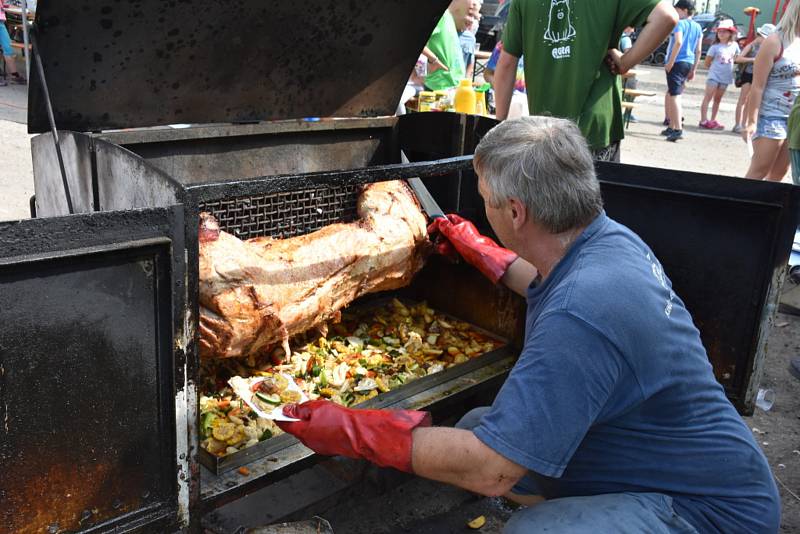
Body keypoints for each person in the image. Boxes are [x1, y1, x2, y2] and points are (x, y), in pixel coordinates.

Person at [276, 116, 780, 533]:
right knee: (477, 426)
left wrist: (353, 430)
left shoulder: (582, 314)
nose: (484, 207)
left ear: (516, 210)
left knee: (525, 527)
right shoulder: (607, 241)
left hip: (711, 514)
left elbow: (491, 470)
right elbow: (554, 285)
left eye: (485, 199)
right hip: (668, 457)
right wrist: (485, 253)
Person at [490, 0, 677, 161]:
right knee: (596, 201)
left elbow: (506, 64)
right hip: (595, 130)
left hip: (545, 131)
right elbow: (666, 17)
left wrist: (499, 126)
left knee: (550, 202)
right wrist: (625, 63)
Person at [743, 0, 800, 181]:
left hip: (794, 117)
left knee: (779, 173)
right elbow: (757, 86)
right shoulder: (775, 41)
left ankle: (767, 210)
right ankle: (739, 207)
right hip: (771, 115)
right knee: (760, 169)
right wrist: (751, 121)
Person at [662, 0, 703, 142]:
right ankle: (672, 126)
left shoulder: (679, 24)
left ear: (685, 10)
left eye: (677, 10)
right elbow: (698, 50)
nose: (676, 13)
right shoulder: (698, 27)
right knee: (674, 92)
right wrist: (694, 69)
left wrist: (670, 62)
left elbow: (678, 42)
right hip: (689, 62)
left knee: (675, 95)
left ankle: (678, 128)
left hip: (677, 62)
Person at [423, 0, 480, 91]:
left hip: (453, 85)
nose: (472, 20)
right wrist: (434, 60)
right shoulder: (442, 16)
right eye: (470, 14)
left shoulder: (449, 18)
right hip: (439, 84)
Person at [734, 24, 776, 133]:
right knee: (743, 99)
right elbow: (738, 58)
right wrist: (753, 60)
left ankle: (745, 124)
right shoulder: (751, 46)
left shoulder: (769, 48)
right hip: (748, 74)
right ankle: (738, 124)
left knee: (751, 100)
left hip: (759, 75)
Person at [699, 19, 740, 130]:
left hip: (726, 77)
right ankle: (703, 120)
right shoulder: (714, 47)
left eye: (724, 31)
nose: (721, 33)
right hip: (714, 76)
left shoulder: (735, 45)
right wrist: (715, 69)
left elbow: (738, 58)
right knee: (708, 97)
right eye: (719, 31)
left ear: (730, 33)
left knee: (718, 99)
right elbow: (707, 62)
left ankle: (713, 120)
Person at [0, 0, 25, 86]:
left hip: (1, 21)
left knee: (8, 48)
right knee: (7, 48)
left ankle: (15, 75)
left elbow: (5, 4)